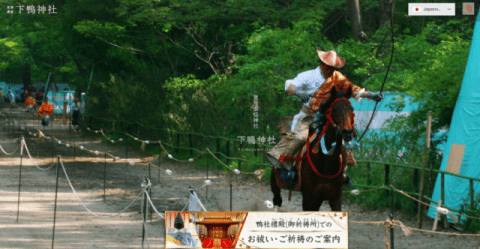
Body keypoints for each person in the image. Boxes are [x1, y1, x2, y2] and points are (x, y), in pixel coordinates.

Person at [267, 50, 384, 186]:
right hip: (309, 116)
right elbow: (289, 85)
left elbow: (353, 89)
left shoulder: (337, 77)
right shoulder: (308, 76)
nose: (331, 70)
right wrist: (298, 92)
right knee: (300, 137)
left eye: (333, 67)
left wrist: (372, 95)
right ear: (322, 65)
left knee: (345, 133)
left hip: (330, 117)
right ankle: (287, 166)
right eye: (329, 67)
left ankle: (342, 170)